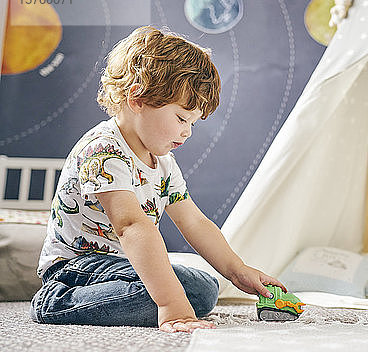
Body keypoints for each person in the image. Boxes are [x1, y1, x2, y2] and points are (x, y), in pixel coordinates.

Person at [30, 26, 286, 333]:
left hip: (120, 270)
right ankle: (56, 303)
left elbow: (193, 221)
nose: (187, 131)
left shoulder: (163, 160)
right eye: (181, 118)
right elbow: (131, 226)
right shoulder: (103, 150)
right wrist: (171, 306)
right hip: (76, 271)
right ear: (138, 98)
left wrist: (237, 270)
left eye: (192, 122)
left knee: (203, 286)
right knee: (187, 294)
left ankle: (154, 298)